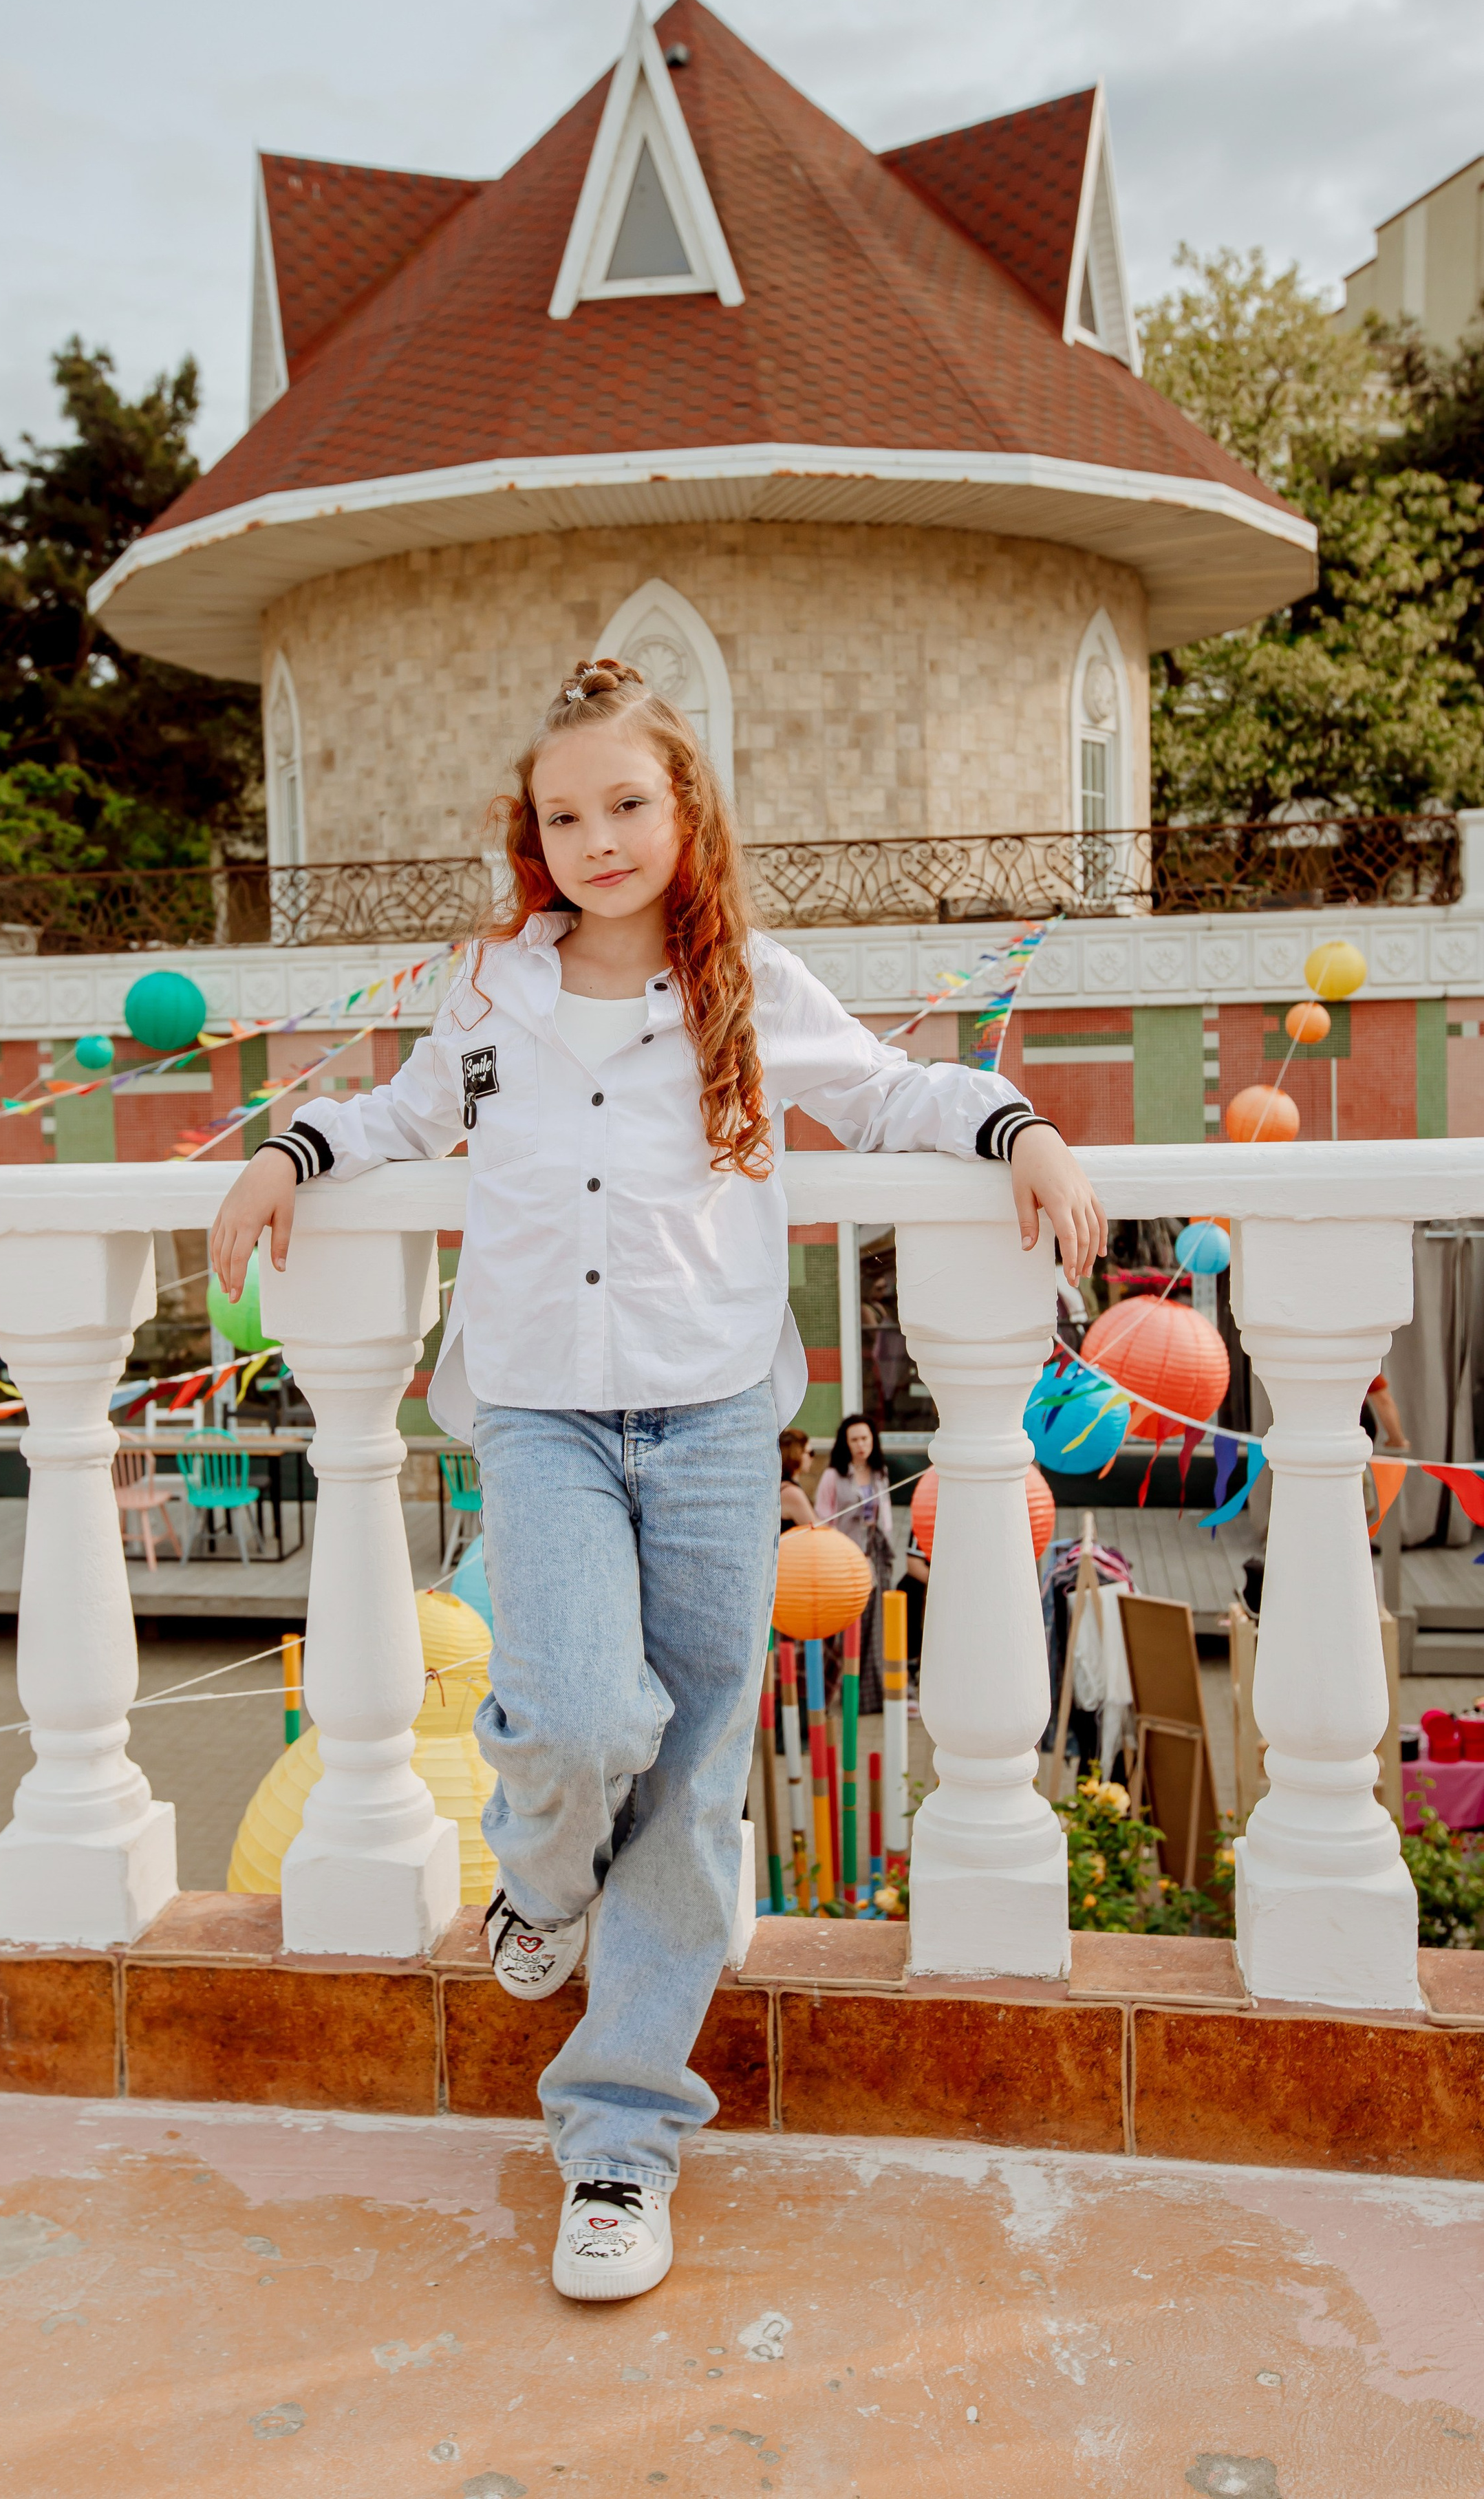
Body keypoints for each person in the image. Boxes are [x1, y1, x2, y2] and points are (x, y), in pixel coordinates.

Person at [210, 657, 1106, 2304]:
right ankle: (541, 1887)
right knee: (574, 1715)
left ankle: (616, 2145)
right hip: (539, 1415)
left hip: (706, 1423)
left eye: (626, 802)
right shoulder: (487, 989)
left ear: (684, 814)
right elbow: (405, 1117)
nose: (596, 836)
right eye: (563, 813)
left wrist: (1017, 1129)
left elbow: (889, 1090)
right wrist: (289, 1152)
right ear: (529, 835)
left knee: (693, 1785)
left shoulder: (747, 985)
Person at [815, 1415, 895, 1715]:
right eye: (855, 1440)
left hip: (874, 1557)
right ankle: (837, 1687)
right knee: (848, 1625)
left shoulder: (880, 1472)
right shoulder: (834, 1476)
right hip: (844, 1561)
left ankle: (869, 1697)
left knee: (876, 1625)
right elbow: (824, 1519)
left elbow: (885, 1517)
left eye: (865, 1439)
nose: (861, 1445)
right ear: (845, 1444)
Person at [779, 1427, 817, 1532]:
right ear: (797, 1454)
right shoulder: (791, 1492)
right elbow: (816, 1529)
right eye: (811, 1453)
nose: (812, 1458)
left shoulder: (783, 1485)